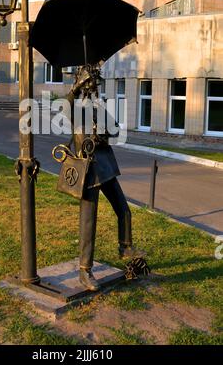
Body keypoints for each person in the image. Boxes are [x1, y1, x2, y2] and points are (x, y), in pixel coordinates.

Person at [66, 65, 145, 291]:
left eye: (94, 85)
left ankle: (125, 247)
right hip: (88, 172)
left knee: (123, 209)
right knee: (88, 223)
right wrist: (76, 87)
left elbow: (116, 131)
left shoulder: (99, 109)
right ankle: (85, 271)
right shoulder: (76, 109)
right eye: (89, 85)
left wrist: (104, 133)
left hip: (106, 168)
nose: (93, 89)